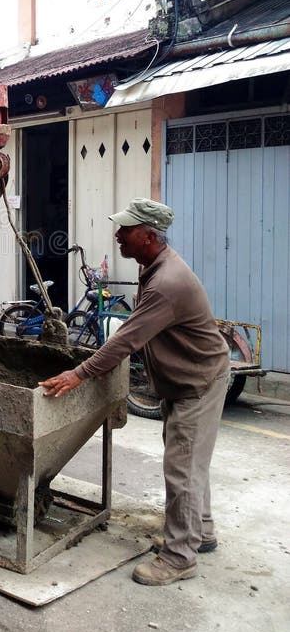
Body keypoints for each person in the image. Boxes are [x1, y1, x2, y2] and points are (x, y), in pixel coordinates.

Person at [39, 197, 230, 587]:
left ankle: (179, 557)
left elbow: (126, 338)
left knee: (182, 468)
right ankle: (201, 531)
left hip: (198, 381)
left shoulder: (166, 282)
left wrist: (79, 373)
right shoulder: (154, 267)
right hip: (189, 377)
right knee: (190, 460)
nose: (118, 236)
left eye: (125, 230)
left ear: (148, 236)